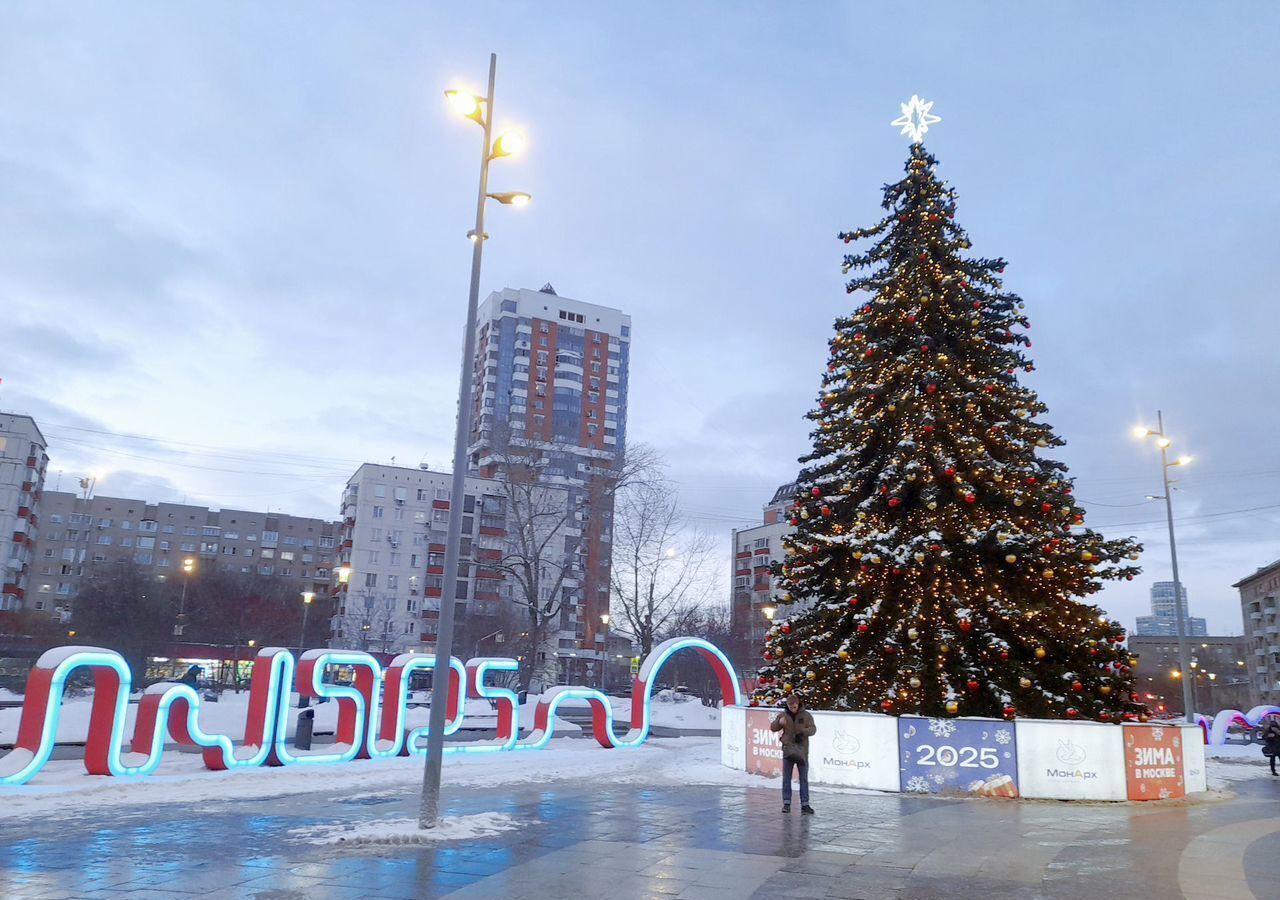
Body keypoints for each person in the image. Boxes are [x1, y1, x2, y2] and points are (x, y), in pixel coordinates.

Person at [771, 694, 817, 814]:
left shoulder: (806, 715)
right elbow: (773, 727)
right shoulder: (783, 715)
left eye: (794, 705)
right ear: (787, 705)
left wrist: (803, 732)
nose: (793, 707)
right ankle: (786, 803)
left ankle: (805, 804)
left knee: (803, 779)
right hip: (788, 751)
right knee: (786, 778)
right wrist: (779, 722)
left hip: (802, 751)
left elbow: (813, 729)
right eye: (790, 705)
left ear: (798, 704)